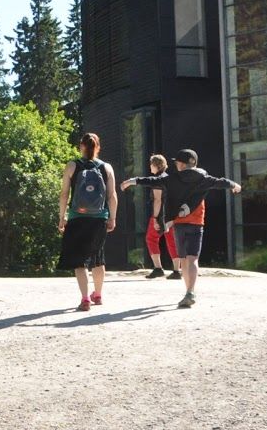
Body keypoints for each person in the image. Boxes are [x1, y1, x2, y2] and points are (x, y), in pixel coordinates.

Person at [121, 149, 242, 309]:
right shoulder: (204, 178)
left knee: (184, 259)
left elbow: (153, 181)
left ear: (182, 164)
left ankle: (188, 291)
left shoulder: (172, 179)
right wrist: (235, 185)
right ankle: (190, 291)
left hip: (178, 224)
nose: (176, 164)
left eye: (177, 162)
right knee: (192, 259)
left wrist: (132, 181)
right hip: (196, 223)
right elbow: (221, 182)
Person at [57, 133, 118, 312]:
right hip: (99, 217)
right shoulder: (107, 167)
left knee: (79, 260)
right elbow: (112, 196)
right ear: (98, 147)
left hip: (77, 217)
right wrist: (112, 217)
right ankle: (97, 295)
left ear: (81, 146)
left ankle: (85, 299)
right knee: (98, 257)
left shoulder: (72, 165)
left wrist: (62, 216)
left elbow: (64, 194)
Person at [129, 154, 179, 280]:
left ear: (156, 165)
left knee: (151, 238)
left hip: (161, 215)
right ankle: (176, 270)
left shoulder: (158, 180)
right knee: (172, 241)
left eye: (151, 164)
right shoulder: (169, 178)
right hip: (172, 215)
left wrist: (155, 218)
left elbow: (157, 200)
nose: (150, 167)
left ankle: (158, 268)